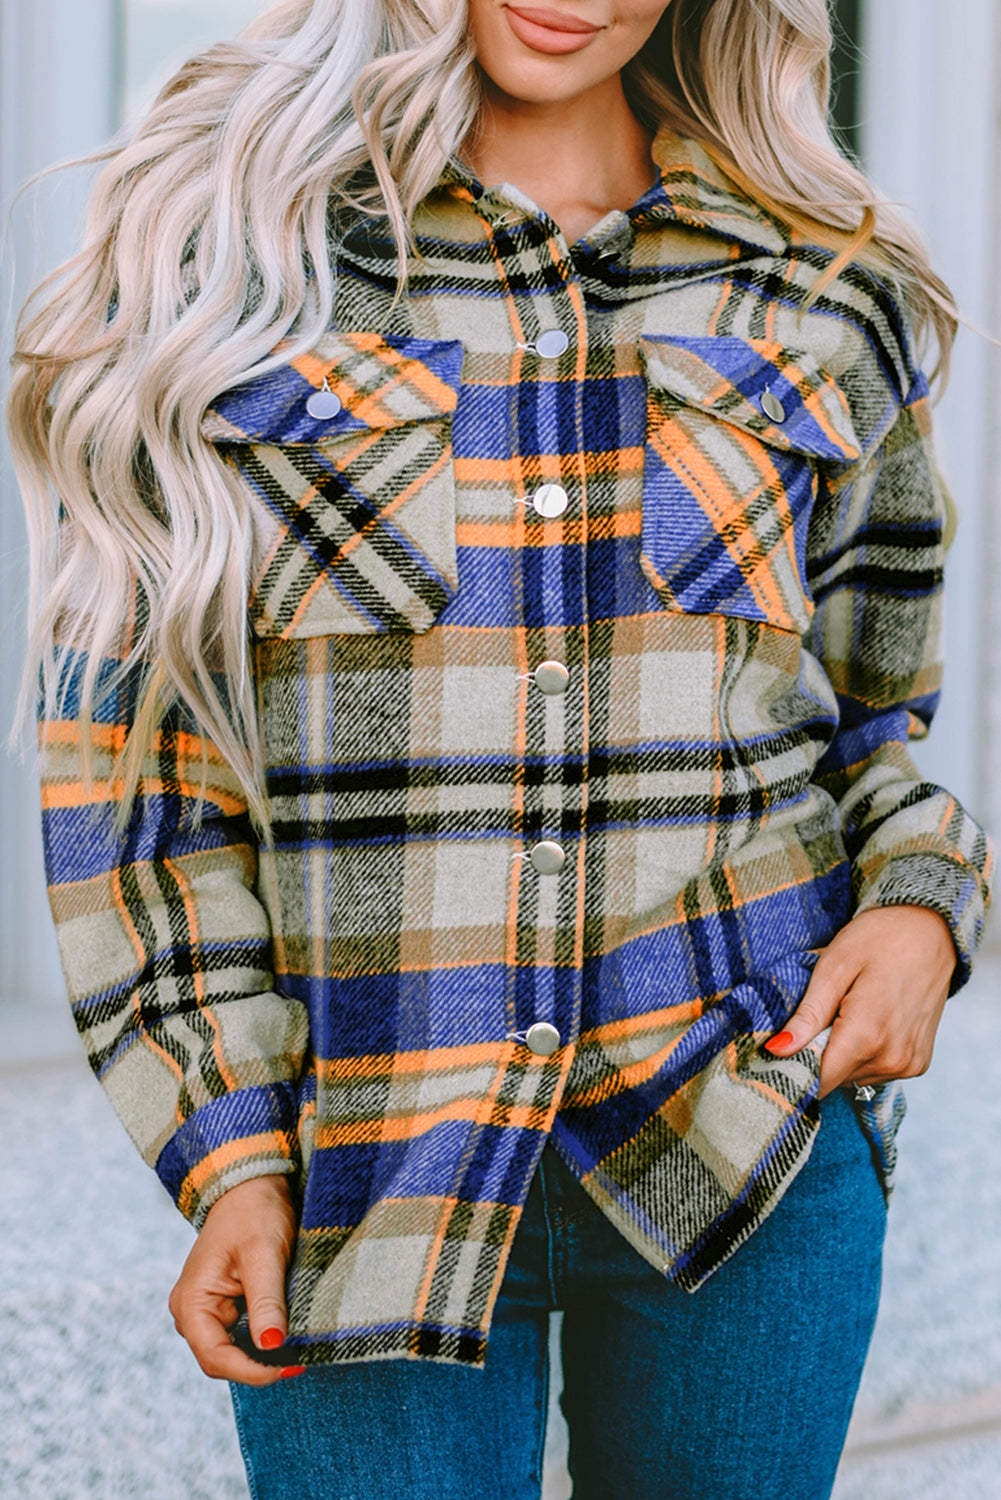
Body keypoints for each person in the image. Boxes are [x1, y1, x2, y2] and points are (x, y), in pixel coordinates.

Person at [8, 1, 994, 1496]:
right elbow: (140, 780)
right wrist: (227, 1148)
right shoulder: (239, 276)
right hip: (363, 1184)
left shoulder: (812, 290)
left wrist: (925, 903)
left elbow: (867, 727)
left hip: (747, 1143)